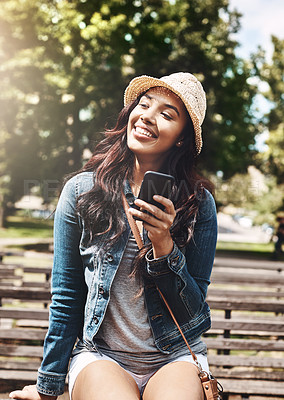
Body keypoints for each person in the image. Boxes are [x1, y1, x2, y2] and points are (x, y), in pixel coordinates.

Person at [10, 72, 217, 400]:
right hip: (102, 357)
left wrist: (164, 245)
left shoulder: (199, 204)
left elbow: (193, 314)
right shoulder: (82, 192)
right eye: (144, 105)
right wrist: (47, 388)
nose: (147, 116)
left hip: (175, 357)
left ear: (181, 138)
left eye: (166, 114)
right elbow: (66, 299)